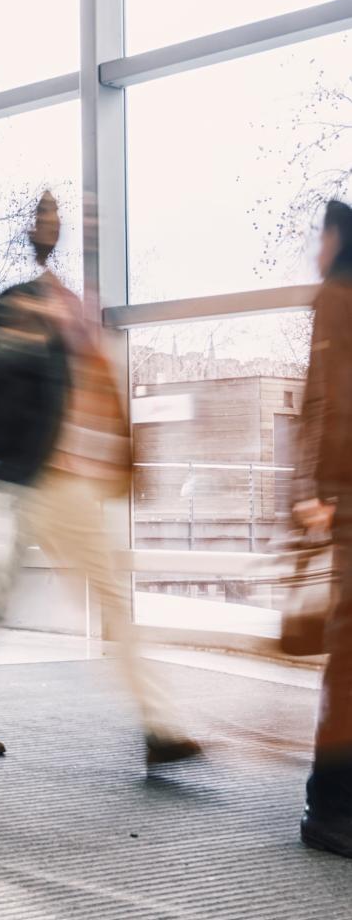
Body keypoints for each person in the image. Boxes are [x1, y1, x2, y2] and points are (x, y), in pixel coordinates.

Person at [0, 191, 199, 765]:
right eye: (45, 218)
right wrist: (22, 340)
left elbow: (96, 400)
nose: (54, 227)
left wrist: (123, 461)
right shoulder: (23, 304)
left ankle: (156, 724)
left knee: (86, 596)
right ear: (33, 232)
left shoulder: (74, 309)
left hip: (62, 485)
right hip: (31, 479)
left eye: (60, 218)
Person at [292, 198, 352, 858]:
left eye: (322, 237)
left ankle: (333, 800)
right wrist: (319, 490)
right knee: (349, 662)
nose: (316, 250)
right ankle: (328, 806)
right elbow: (327, 400)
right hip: (349, 500)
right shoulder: (337, 297)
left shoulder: (340, 295)